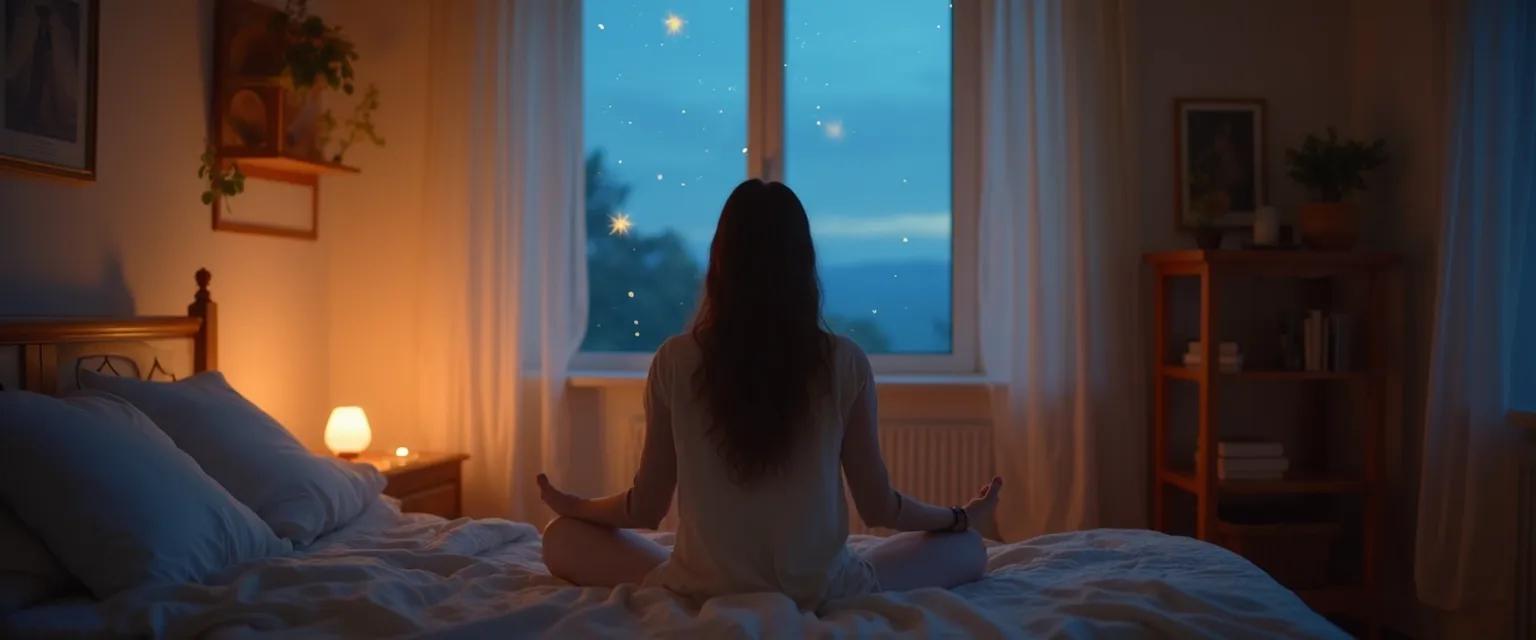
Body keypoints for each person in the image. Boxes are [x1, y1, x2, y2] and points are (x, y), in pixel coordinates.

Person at [536, 179, 1004, 609]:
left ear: (720, 261)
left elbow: (646, 507)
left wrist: (574, 507)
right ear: (802, 263)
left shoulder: (675, 361)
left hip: (702, 587)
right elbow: (880, 507)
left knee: (561, 536)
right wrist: (961, 518)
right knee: (967, 548)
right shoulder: (843, 360)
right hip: (819, 590)